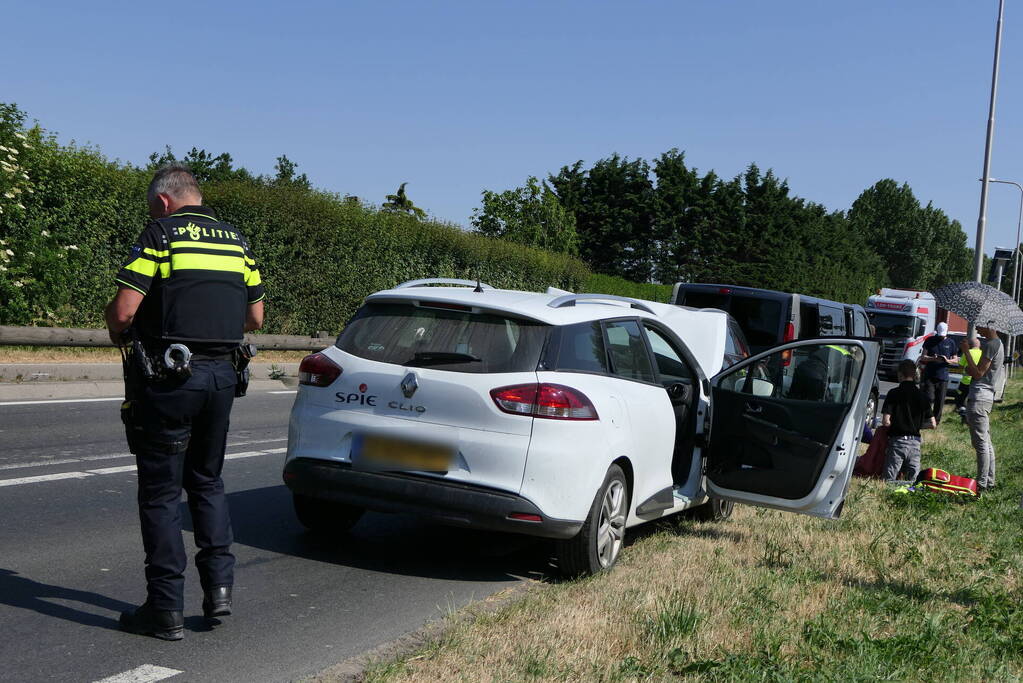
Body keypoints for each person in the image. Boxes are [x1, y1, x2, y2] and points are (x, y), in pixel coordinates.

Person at [104, 164, 265, 640]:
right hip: (221, 379)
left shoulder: (160, 234)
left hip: (170, 379)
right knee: (207, 483)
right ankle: (219, 594)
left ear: (164, 201)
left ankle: (165, 609)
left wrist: (118, 332)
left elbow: (125, 309)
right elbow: (254, 317)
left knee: (159, 494)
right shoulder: (235, 240)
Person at [960, 322, 1004, 491]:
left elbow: (978, 373)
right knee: (986, 441)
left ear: (991, 326)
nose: (977, 329)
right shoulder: (997, 344)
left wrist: (966, 352)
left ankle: (982, 483)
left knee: (980, 443)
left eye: (980, 326)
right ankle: (989, 481)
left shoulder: (992, 344)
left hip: (979, 397)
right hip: (986, 396)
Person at [881, 359, 935, 484]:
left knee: (888, 481)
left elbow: (886, 421)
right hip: (915, 443)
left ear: (900, 374)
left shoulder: (893, 393)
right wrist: (915, 425)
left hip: (897, 442)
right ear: (915, 374)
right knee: (913, 482)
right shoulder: (923, 396)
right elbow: (932, 424)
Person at [918, 322, 958, 424]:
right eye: (940, 335)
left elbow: (956, 359)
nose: (941, 337)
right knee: (929, 397)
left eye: (943, 335)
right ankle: (926, 418)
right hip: (929, 375)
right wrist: (933, 358)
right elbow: (923, 357)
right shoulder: (929, 340)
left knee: (940, 401)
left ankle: (936, 421)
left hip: (943, 376)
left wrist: (947, 361)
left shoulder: (951, 342)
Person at [955, 337, 982, 415]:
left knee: (961, 397)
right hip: (977, 381)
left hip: (965, 381)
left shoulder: (967, 352)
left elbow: (960, 366)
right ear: (979, 345)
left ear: (970, 345)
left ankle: (962, 410)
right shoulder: (982, 354)